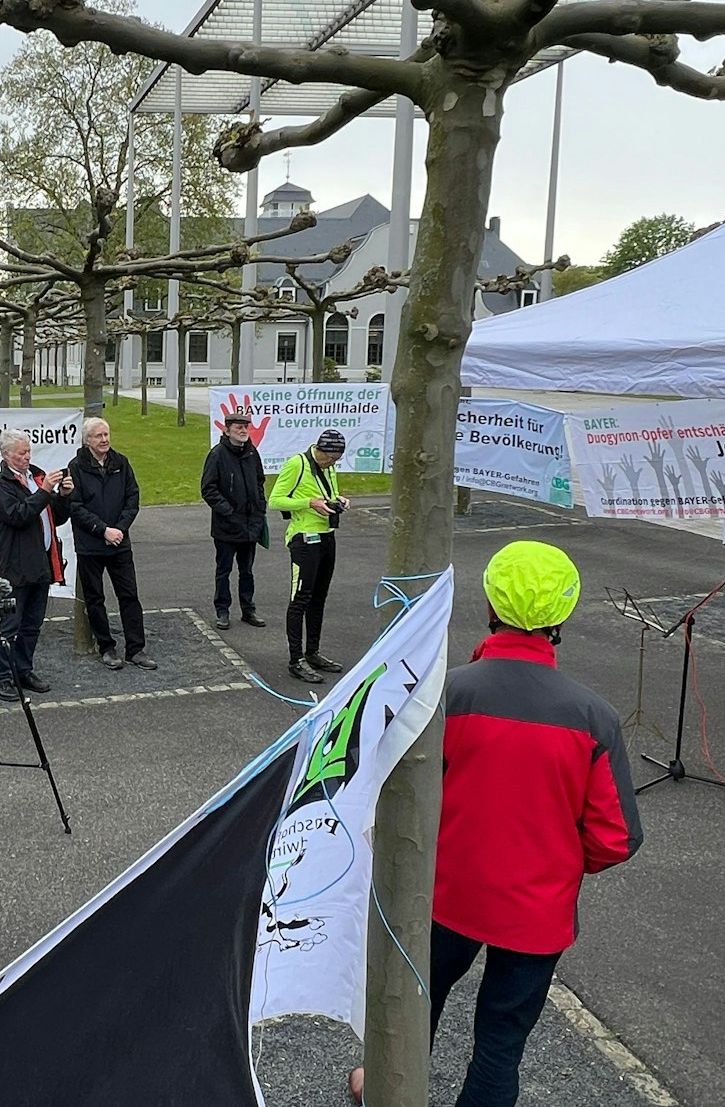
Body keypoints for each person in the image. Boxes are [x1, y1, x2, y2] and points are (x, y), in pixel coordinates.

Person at [351, 541, 641, 1107]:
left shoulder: (444, 694)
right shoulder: (592, 717)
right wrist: (549, 858)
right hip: (536, 908)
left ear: (490, 603)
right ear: (561, 615)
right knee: (500, 1048)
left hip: (444, 894)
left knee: (412, 1017)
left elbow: (391, 795)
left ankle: (382, 1092)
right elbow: (616, 839)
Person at [0, 430, 73, 703]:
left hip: (41, 563)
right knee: (10, 625)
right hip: (14, 567)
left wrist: (64, 496)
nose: (27, 457)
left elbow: (55, 517)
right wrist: (45, 492)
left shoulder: (36, 476)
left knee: (32, 625)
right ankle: (3, 677)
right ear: (6, 455)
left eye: (28, 451)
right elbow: (18, 515)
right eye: (21, 453)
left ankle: (24, 670)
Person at [67, 418, 154, 671]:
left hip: (119, 543)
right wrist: (102, 530)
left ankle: (135, 649)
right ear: (87, 440)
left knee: (129, 595)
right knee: (95, 599)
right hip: (90, 546)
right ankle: (106, 647)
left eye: (106, 434)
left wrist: (119, 529)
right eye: (98, 436)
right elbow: (76, 507)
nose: (104, 439)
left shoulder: (121, 463)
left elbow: (132, 498)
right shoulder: (75, 468)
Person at [268, 429, 351, 684]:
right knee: (300, 599)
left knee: (319, 597)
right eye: (329, 458)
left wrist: (339, 500)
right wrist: (309, 503)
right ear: (319, 449)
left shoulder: (330, 467)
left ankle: (312, 652)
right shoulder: (298, 464)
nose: (331, 463)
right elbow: (275, 500)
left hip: (327, 536)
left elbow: (328, 493)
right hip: (304, 539)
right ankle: (296, 660)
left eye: (336, 460)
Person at [200, 410, 268, 632]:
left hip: (250, 525)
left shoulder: (251, 453)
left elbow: (260, 480)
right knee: (224, 570)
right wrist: (227, 511)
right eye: (238, 426)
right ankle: (222, 611)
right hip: (226, 527)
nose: (243, 430)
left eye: (245, 426)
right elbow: (208, 489)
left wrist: (259, 506)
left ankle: (248, 610)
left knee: (247, 570)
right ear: (227, 429)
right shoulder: (218, 454)